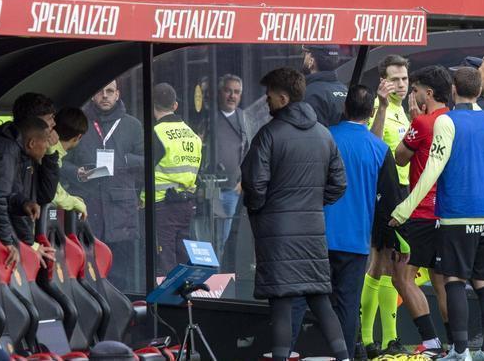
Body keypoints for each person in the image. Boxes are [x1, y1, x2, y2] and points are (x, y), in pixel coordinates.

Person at [390, 66, 484, 361]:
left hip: (456, 215)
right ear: (478, 91)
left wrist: (404, 208)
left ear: (453, 90)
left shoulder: (446, 121)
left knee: (455, 281)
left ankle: (460, 351)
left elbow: (433, 169)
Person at [242, 67, 352, 361]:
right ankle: (344, 358)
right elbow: (339, 184)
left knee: (281, 303)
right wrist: (313, 202)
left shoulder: (268, 135)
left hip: (277, 234)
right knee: (321, 300)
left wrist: (261, 209)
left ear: (283, 98)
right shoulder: (324, 135)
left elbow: (254, 185)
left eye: (269, 96)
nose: (266, 101)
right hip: (312, 230)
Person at [323, 85, 403, 359]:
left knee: (316, 302)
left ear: (344, 108)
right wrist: (390, 241)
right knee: (348, 304)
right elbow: (389, 201)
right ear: (370, 113)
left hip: (319, 236)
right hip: (356, 240)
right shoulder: (379, 149)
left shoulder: (325, 137)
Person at [62, 80, 145, 290]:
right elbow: (60, 159)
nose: (105, 95)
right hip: (87, 207)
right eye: (100, 91)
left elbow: (147, 160)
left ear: (118, 94)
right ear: (93, 95)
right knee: (86, 271)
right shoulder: (80, 123)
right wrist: (76, 173)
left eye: (110, 91)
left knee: (120, 276)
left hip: (121, 211)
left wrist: (124, 160)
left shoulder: (132, 125)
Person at [394, 65, 454, 356]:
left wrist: (413, 121)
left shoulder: (424, 122)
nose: (412, 93)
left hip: (421, 213)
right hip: (448, 212)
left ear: (428, 93)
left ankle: (430, 342)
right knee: (442, 282)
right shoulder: (453, 120)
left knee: (402, 277)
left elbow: (400, 157)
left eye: (415, 89)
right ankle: (456, 345)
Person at [361, 55, 413, 357]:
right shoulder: (378, 107)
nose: (401, 84)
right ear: (383, 81)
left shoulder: (403, 111)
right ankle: (374, 339)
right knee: (385, 263)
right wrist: (380, 107)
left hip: (403, 192)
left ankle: (380, 340)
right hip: (384, 193)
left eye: (404, 78)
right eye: (395, 79)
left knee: (388, 264)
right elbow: (372, 143)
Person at [0, 93, 59, 264]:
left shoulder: (20, 147)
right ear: (34, 123)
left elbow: (43, 195)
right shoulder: (7, 149)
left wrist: (24, 203)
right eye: (50, 118)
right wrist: (18, 243)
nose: (54, 124)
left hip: (4, 237)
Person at [147, 83, 203, 276]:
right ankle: (185, 292)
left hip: (161, 204)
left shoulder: (156, 133)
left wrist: (142, 200)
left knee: (166, 260)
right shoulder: (193, 136)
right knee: (183, 256)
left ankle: (169, 294)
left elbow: (147, 171)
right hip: (186, 204)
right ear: (175, 105)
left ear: (152, 105)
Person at [207, 74, 251, 260]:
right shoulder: (208, 118)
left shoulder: (244, 119)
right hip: (210, 188)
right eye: (228, 91)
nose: (232, 96)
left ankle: (218, 273)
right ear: (220, 92)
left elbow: (251, 152)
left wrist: (243, 182)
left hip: (233, 189)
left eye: (236, 92)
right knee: (208, 237)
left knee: (223, 238)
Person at [50, 107, 88, 218]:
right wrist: (76, 204)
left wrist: (71, 198)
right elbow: (52, 194)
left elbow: (54, 186)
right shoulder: (51, 154)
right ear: (78, 137)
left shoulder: (51, 151)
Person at [303, 46, 348, 127]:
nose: (304, 56)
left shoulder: (309, 93)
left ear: (311, 61)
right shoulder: (345, 89)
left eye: (306, 53)